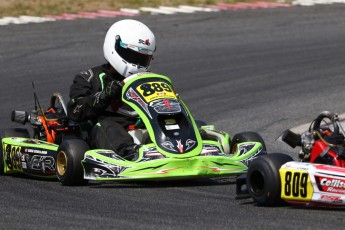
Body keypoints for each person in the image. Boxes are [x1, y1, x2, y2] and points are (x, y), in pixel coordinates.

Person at [67, 19, 156, 158]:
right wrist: (104, 95)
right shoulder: (89, 77)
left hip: (141, 127)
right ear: (115, 47)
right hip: (105, 133)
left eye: (143, 59)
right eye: (133, 56)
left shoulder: (149, 80)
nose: (138, 64)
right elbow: (74, 111)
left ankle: (189, 143)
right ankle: (131, 154)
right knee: (106, 126)